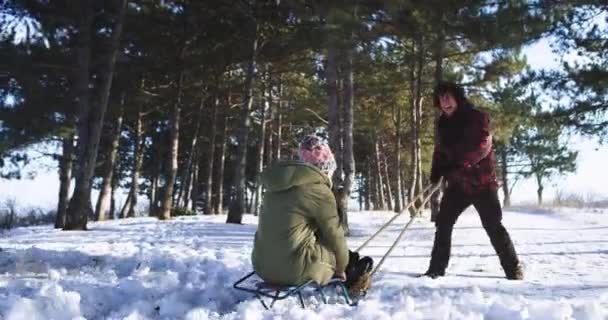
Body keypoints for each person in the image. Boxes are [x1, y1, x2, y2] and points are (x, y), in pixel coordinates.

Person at [423, 82, 524, 280]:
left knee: (493, 225)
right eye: (441, 98)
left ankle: (513, 269)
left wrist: (460, 164)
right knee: (443, 223)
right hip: (458, 185)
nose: (445, 102)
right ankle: (436, 270)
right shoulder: (443, 123)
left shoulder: (476, 117)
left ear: (457, 98)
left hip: (482, 183)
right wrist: (436, 172)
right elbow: (441, 151)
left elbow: (483, 145)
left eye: (448, 97)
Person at [252, 135, 373, 292]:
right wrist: (342, 266)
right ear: (324, 169)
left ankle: (348, 261)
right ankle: (353, 273)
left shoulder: (275, 187)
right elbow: (334, 234)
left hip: (261, 265)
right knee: (336, 254)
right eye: (330, 170)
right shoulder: (319, 191)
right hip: (295, 270)